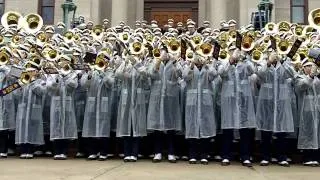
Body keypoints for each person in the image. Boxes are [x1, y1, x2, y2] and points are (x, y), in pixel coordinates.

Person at [218, 48, 256, 167]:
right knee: (228, 129)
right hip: (229, 101)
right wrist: (231, 60)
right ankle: (225, 155)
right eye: (233, 52)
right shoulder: (224, 63)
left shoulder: (245, 64)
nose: (236, 54)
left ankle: (245, 156)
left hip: (243, 100)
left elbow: (252, 71)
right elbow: (221, 72)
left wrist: (245, 59)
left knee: (244, 129)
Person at [256, 52, 295, 167]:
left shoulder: (284, 64)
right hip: (266, 103)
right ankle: (265, 157)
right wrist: (268, 62)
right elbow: (260, 74)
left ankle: (281, 157)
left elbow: (291, 74)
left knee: (281, 131)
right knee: (266, 131)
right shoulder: (263, 63)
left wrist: (282, 62)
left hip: (281, 103)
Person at [147, 49, 183, 163]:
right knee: (157, 127)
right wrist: (158, 61)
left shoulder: (174, 63)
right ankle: (157, 152)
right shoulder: (155, 62)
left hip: (170, 99)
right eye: (163, 53)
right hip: (157, 98)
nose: (165, 55)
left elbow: (180, 74)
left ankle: (171, 153)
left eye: (167, 53)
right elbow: (151, 74)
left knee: (170, 126)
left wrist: (175, 62)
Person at [182, 55, 217, 165]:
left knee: (205, 127)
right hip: (192, 102)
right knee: (192, 127)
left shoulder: (207, 68)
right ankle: (192, 155)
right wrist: (192, 66)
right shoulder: (190, 67)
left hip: (205, 102)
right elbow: (185, 77)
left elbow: (214, 75)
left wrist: (207, 64)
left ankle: (204, 155)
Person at [115, 53, 149, 162]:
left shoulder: (141, 65)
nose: (133, 56)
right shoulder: (126, 66)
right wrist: (125, 62)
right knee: (126, 127)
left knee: (136, 127)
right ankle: (127, 153)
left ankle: (134, 153)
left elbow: (145, 75)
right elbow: (118, 74)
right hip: (127, 100)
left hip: (137, 100)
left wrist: (136, 63)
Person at [81, 56, 114, 161]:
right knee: (91, 126)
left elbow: (110, 84)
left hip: (104, 103)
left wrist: (103, 73)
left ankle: (104, 152)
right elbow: (84, 84)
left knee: (103, 127)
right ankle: (92, 152)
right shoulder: (92, 72)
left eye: (104, 61)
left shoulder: (110, 72)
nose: (101, 63)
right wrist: (89, 75)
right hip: (93, 102)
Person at [47, 63, 78, 160]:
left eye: (65, 61)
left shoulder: (73, 74)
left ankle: (64, 151)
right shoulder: (53, 74)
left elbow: (73, 85)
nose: (63, 63)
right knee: (56, 126)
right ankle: (57, 151)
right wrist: (57, 79)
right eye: (61, 61)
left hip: (67, 103)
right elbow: (50, 87)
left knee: (66, 127)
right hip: (56, 103)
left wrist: (65, 77)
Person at [15, 70, 46, 159]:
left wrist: (33, 82)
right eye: (28, 71)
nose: (30, 73)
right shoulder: (22, 81)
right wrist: (20, 86)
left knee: (33, 129)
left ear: (36, 72)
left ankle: (30, 150)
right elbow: (16, 95)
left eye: (32, 71)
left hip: (34, 109)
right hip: (23, 109)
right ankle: (23, 150)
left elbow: (42, 92)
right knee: (22, 129)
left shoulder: (41, 81)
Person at [295, 59, 320, 166]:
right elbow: (302, 86)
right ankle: (307, 157)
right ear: (303, 68)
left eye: (311, 66)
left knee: (316, 133)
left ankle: (315, 156)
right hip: (305, 109)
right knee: (307, 133)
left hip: (316, 108)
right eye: (308, 66)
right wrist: (311, 76)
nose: (310, 68)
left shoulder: (317, 79)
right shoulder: (299, 78)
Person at [0, 65, 16, 158]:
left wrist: (5, 69)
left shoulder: (11, 68)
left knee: (6, 127)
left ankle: (5, 149)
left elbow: (15, 82)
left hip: (7, 100)